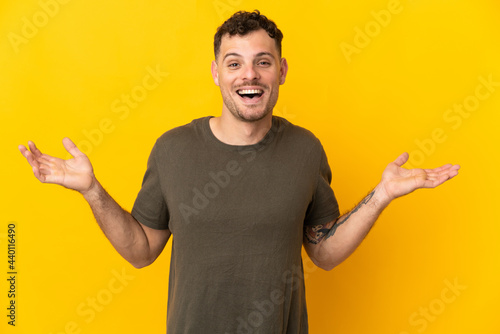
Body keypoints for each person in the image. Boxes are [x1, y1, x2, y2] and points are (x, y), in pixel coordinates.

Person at [19, 10, 460, 334]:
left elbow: (323, 253)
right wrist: (92, 190)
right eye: (234, 62)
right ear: (216, 73)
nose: (249, 74)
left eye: (263, 61)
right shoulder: (172, 150)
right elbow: (140, 250)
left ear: (281, 71)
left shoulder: (306, 150)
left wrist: (380, 196)